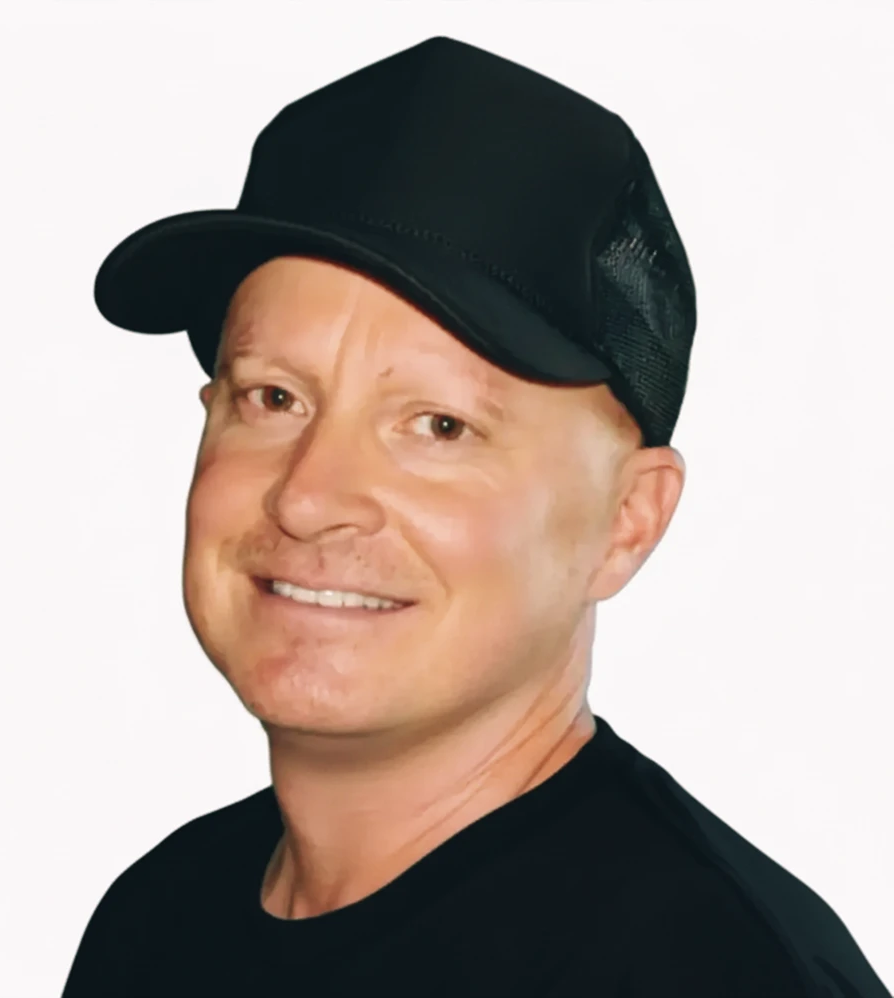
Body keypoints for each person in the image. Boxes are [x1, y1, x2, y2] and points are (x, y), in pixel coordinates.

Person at [61, 35, 890, 998]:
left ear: (628, 521)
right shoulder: (163, 917)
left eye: (439, 425)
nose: (309, 496)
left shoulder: (707, 969)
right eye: (273, 398)